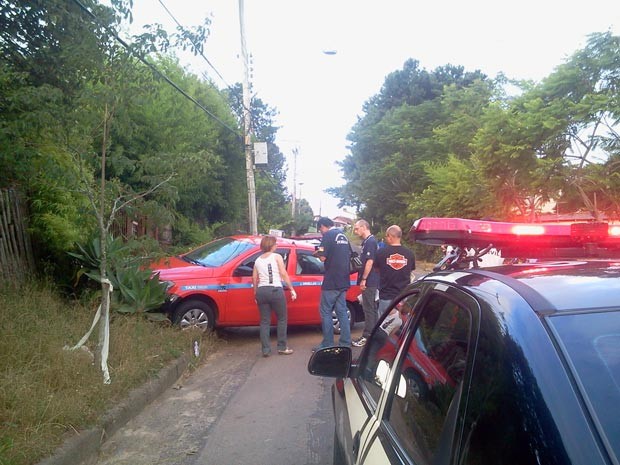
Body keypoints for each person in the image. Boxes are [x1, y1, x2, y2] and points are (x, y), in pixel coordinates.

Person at [252, 235, 296, 357]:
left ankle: (265, 350)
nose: (276, 245)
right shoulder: (277, 257)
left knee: (264, 321)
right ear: (271, 245)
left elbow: (254, 278)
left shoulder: (257, 260)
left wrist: (255, 293)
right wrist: (291, 289)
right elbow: (283, 273)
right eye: (275, 244)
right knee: (282, 319)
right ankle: (282, 347)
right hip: (275, 290)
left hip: (261, 291)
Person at [314, 216, 352, 350]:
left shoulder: (328, 236)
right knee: (342, 311)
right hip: (344, 280)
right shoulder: (344, 236)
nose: (321, 232)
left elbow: (323, 257)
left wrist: (317, 253)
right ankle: (345, 343)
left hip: (331, 281)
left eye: (320, 229)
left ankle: (327, 343)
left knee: (325, 311)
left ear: (323, 226)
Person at [373, 225, 415, 316]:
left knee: (385, 325)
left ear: (390, 236)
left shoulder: (380, 253)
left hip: (386, 295)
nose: (386, 238)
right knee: (404, 324)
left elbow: (377, 270)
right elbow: (410, 271)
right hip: (404, 295)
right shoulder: (410, 254)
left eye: (386, 236)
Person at [352, 219, 379, 347]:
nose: (355, 231)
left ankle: (368, 336)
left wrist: (364, 279)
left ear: (364, 227)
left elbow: (370, 261)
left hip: (370, 281)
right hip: (369, 280)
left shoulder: (371, 242)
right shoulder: (367, 242)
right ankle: (373, 335)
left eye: (357, 228)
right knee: (369, 308)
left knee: (369, 309)